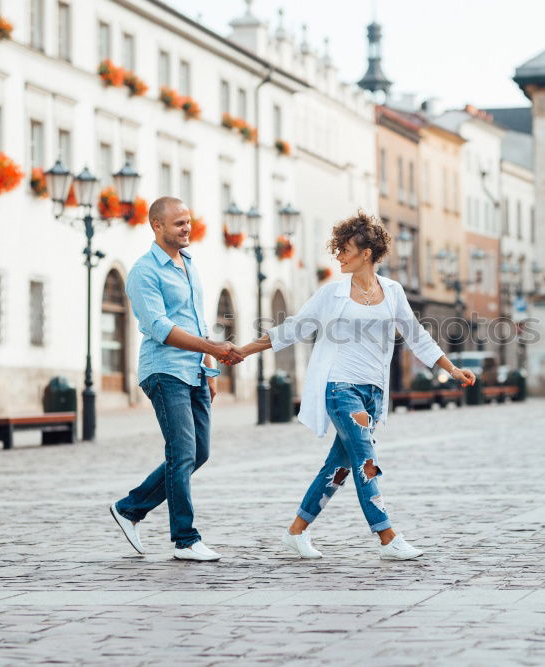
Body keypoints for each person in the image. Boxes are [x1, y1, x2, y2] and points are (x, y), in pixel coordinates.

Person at [236, 211, 476, 560]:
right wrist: (242, 350)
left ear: (367, 252)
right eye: (338, 249)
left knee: (339, 465)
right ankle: (387, 536)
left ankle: (296, 532)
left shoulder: (392, 292)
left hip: (373, 394)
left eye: (345, 248)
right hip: (340, 388)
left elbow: (416, 335)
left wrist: (451, 368)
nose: (339, 255)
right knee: (366, 459)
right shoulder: (330, 294)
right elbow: (293, 328)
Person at [109, 196, 243, 562]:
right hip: (164, 371)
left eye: (188, 221)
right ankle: (185, 539)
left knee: (199, 452)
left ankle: (130, 509)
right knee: (181, 452)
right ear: (157, 226)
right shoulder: (143, 272)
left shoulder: (188, 265)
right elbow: (160, 328)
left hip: (195, 371)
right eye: (178, 223)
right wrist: (213, 348)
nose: (187, 228)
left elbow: (197, 319)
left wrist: (208, 367)